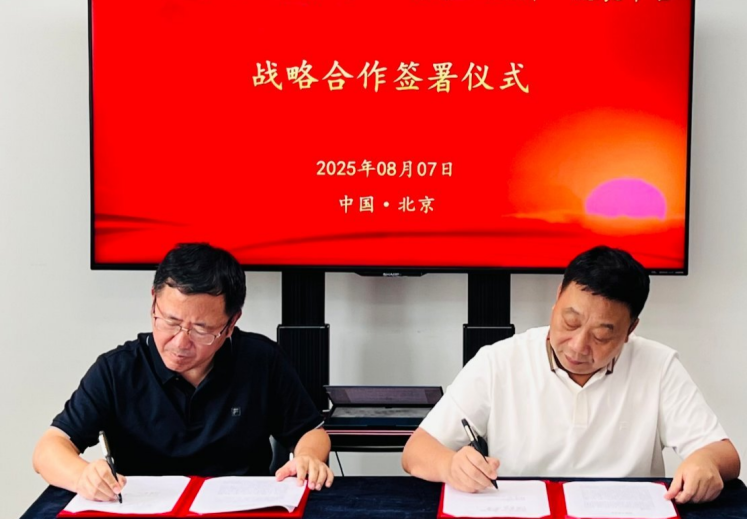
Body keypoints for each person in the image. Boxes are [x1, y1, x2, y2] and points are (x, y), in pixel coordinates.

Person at [402, 246, 739, 504]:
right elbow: (416, 451)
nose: (578, 346)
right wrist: (451, 466)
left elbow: (725, 455)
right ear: (557, 300)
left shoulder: (658, 366)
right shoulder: (499, 361)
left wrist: (705, 462)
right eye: (570, 322)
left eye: (602, 335)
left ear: (630, 330)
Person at [33, 243, 333, 502]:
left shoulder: (261, 360)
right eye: (170, 322)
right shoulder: (117, 370)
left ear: (231, 323)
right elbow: (49, 449)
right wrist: (83, 476)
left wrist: (307, 458)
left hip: (240, 508)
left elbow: (311, 432)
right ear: (154, 300)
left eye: (201, 330)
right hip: (144, 509)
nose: (180, 343)